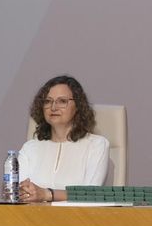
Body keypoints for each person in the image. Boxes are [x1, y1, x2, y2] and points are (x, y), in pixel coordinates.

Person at [18, 75, 110, 203]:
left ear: (78, 106)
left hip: (78, 220)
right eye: (48, 101)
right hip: (32, 219)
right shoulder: (30, 148)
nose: (53, 107)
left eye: (62, 101)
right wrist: (24, 192)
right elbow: (18, 191)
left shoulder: (97, 145)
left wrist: (47, 194)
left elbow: (91, 193)